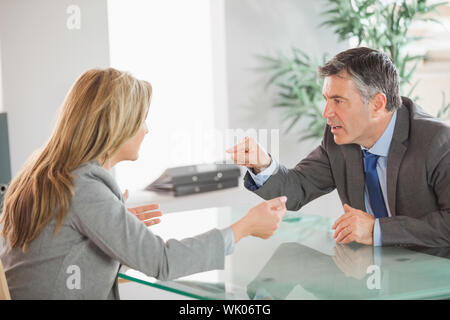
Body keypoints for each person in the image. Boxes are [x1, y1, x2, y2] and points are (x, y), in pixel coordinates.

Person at [0, 68, 287, 299]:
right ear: (116, 126)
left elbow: (58, 256)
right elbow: (162, 261)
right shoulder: (84, 188)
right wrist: (243, 228)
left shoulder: (45, 173)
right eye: (141, 120)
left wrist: (111, 232)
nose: (147, 129)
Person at [227, 47, 450, 247]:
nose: (326, 113)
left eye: (338, 101)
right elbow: (297, 189)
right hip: (370, 275)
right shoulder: (340, 139)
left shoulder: (438, 141)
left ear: (377, 104)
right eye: (326, 99)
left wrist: (378, 230)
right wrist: (262, 164)